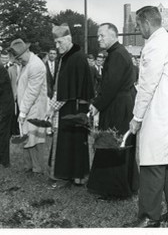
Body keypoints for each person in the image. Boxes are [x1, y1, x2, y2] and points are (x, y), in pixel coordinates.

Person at [123, 6, 168, 228]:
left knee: (152, 163)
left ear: (146, 23)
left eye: (138, 25)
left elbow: (146, 86)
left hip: (163, 115)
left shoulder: (154, 45)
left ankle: (149, 216)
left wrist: (136, 118)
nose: (138, 29)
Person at [88, 23, 139, 199]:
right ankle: (128, 186)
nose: (99, 39)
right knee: (122, 145)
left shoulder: (116, 55)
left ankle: (115, 190)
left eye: (102, 35)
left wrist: (96, 105)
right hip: (122, 104)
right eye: (98, 36)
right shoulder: (118, 53)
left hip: (118, 106)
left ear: (113, 35)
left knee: (113, 144)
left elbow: (110, 86)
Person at [47, 24, 94, 186]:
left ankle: (66, 176)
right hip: (71, 107)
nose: (57, 46)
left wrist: (52, 107)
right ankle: (75, 176)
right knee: (71, 144)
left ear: (68, 39)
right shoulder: (69, 56)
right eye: (56, 43)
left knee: (68, 144)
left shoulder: (76, 58)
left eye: (59, 42)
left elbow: (67, 90)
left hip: (72, 108)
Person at [9, 39, 48, 174]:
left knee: (35, 138)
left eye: (19, 58)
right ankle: (29, 166)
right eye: (16, 59)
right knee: (26, 136)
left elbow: (32, 91)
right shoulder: (26, 63)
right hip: (27, 107)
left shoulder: (36, 65)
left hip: (35, 108)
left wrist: (23, 111)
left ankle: (38, 168)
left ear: (27, 52)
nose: (18, 61)